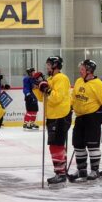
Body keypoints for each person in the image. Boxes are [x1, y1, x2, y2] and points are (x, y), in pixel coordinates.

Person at [68, 59, 102, 182]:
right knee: (78, 144)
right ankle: (81, 170)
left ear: (89, 71)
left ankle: (95, 170)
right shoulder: (79, 81)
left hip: (93, 117)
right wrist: (68, 107)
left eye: (83, 69)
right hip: (80, 117)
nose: (80, 71)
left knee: (93, 145)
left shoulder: (98, 84)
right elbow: (73, 98)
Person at [32, 56, 72, 188]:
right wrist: (37, 85)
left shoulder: (61, 78)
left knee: (57, 145)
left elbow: (56, 98)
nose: (47, 67)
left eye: (49, 64)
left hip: (60, 116)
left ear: (55, 65)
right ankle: (59, 172)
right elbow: (42, 98)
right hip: (53, 116)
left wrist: (46, 88)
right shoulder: (50, 79)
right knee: (54, 145)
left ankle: (61, 174)